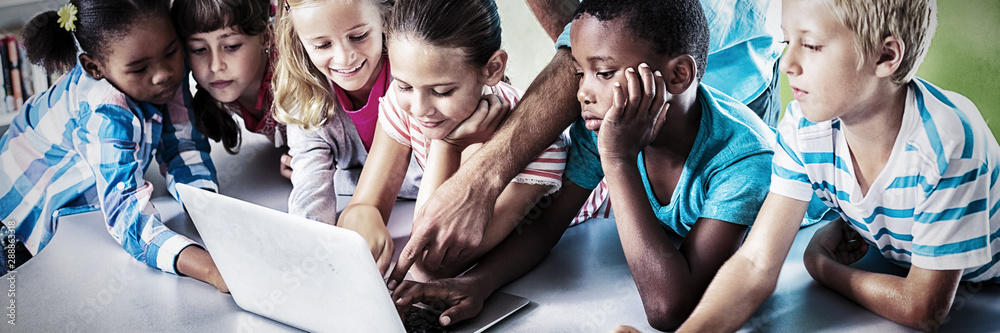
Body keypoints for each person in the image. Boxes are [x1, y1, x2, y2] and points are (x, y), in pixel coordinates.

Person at [390, 0, 774, 330]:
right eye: (579, 71)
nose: (582, 93)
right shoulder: (603, 126)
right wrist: (479, 284)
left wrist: (618, 159)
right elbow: (547, 226)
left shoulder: (740, 161)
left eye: (603, 73)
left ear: (677, 75)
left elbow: (668, 309)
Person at [679, 0, 1000, 331]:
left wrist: (821, 266)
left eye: (812, 45)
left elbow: (922, 308)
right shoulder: (804, 129)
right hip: (907, 264)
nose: (787, 63)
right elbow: (756, 262)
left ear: (886, 56)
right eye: (788, 42)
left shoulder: (947, 144)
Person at [0, 0, 227, 292]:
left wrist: (211, 213)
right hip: (14, 220)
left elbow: (182, 147)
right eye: (139, 68)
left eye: (171, 51)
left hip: (76, 210)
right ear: (94, 67)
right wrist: (211, 269)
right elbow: (127, 219)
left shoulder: (165, 74)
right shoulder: (103, 111)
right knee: (17, 301)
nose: (163, 74)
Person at [340, 0, 566, 277]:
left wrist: (447, 146)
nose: (420, 109)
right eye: (404, 86)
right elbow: (365, 205)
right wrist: (361, 219)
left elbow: (428, 264)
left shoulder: (536, 143)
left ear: (493, 69)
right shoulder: (405, 104)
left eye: (443, 91)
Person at [272, 0, 421, 225]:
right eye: (322, 45)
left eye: (358, 36)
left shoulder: (417, 78)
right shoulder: (306, 96)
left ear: (386, 18)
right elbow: (310, 200)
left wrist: (340, 178)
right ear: (299, 41)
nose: (344, 58)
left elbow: (429, 179)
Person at [171, 0, 292, 177]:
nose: (215, 66)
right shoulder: (223, 88)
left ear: (267, 37)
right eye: (199, 49)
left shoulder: (296, 81)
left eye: (232, 46)